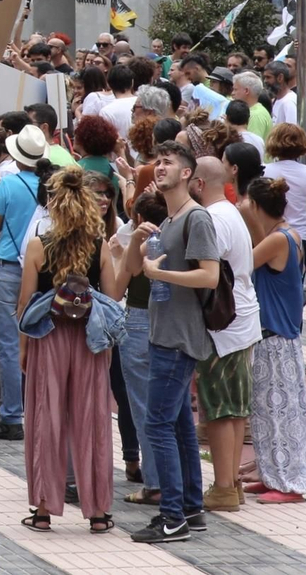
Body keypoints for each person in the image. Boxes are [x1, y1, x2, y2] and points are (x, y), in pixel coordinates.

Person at [119, 141, 218, 544]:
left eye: (168, 163)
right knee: (177, 426)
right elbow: (132, 269)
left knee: (157, 423)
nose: (159, 167)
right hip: (165, 334)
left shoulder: (196, 218)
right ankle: (190, 508)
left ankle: (172, 516)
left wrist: (160, 275)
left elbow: (209, 275)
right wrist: (139, 245)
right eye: (157, 161)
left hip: (178, 337)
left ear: (187, 174)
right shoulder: (171, 219)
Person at [15, 167, 119, 532]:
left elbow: (25, 304)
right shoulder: (98, 245)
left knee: (46, 419)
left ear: (53, 205)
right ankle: (98, 511)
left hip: (47, 338)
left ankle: (44, 508)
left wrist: (23, 348)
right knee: (92, 421)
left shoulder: (38, 246)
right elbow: (111, 298)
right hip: (90, 339)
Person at [190, 154, 259, 510]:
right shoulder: (230, 212)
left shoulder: (213, 219)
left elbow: (207, 272)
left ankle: (222, 486)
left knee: (218, 408)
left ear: (200, 184)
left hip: (224, 322)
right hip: (243, 317)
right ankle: (230, 483)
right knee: (234, 408)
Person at [240, 176, 306, 504]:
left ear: (256, 206)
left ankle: (288, 483)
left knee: (279, 414)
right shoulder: (288, 234)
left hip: (275, 337)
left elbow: (240, 264)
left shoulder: (277, 240)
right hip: (276, 335)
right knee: (266, 412)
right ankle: (272, 472)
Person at [0, 128, 49, 441]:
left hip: (11, 267)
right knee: (40, 339)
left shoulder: (7, 184)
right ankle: (38, 409)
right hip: (44, 268)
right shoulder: (50, 185)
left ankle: (12, 414)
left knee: (10, 344)